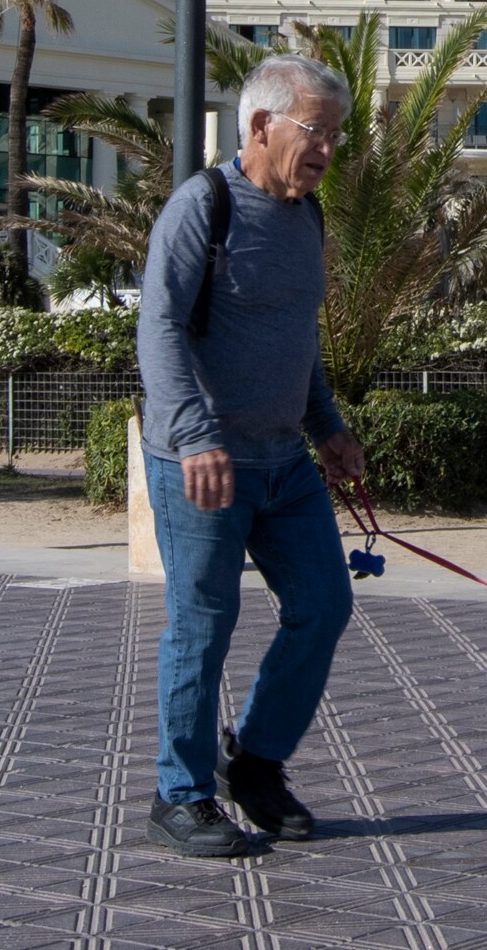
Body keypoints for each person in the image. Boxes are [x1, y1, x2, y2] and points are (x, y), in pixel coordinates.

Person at [136, 53, 366, 857]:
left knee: (325, 604)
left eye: (337, 134)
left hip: (284, 463)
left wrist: (328, 427)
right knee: (203, 624)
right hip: (202, 464)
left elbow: (298, 338)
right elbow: (158, 327)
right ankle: (180, 793)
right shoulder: (203, 206)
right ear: (261, 124)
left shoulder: (308, 217)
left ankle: (256, 762)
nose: (329, 148)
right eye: (317, 130)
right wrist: (195, 434)